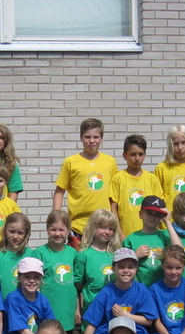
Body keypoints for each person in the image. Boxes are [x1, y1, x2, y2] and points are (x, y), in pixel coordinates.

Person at [78, 248, 159, 334]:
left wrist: (125, 315)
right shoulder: (106, 293)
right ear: (113, 269)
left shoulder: (142, 290)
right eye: (121, 267)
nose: (126, 270)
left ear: (136, 269)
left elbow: (148, 320)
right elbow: (92, 323)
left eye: (130, 267)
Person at [52, 118, 119, 246]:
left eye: (96, 137)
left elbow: (115, 195)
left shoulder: (110, 162)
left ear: (102, 138)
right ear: (81, 138)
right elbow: (59, 191)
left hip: (103, 226)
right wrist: (57, 217)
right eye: (87, 137)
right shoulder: (70, 162)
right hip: (78, 227)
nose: (92, 141)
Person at [32, 210, 79, 334]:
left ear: (68, 231)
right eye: (53, 230)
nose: (57, 233)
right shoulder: (39, 253)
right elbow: (35, 284)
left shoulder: (73, 253)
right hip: (48, 307)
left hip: (68, 308)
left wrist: (77, 309)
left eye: (61, 230)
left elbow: (76, 284)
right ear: (47, 230)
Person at [109, 134, 162, 239]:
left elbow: (159, 209)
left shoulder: (152, 179)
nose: (137, 158)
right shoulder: (118, 178)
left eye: (140, 154)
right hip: (125, 236)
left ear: (145, 155)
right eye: (133, 154)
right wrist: (120, 234)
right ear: (125, 155)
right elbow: (113, 208)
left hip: (149, 235)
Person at [121, 195, 182, 287]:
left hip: (162, 287)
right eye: (149, 213)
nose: (153, 217)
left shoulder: (165, 235)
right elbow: (121, 267)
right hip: (140, 287)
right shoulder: (131, 239)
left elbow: (179, 250)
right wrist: (135, 256)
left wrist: (167, 221)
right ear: (140, 214)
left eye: (157, 215)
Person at [3, 257, 55, 334]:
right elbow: (22, 330)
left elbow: (51, 326)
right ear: (19, 277)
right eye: (27, 277)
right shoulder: (13, 299)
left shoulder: (43, 300)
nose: (32, 281)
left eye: (36, 277)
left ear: (41, 279)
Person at [74, 209, 120, 321]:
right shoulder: (84, 255)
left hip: (113, 309)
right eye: (103, 227)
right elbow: (77, 285)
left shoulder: (116, 254)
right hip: (92, 308)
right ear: (93, 227)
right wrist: (77, 308)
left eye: (111, 229)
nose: (107, 232)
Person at [0, 212, 33, 298]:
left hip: (27, 304)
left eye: (20, 233)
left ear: (26, 234)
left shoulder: (32, 255)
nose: (15, 236)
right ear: (5, 231)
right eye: (12, 231)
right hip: (5, 304)